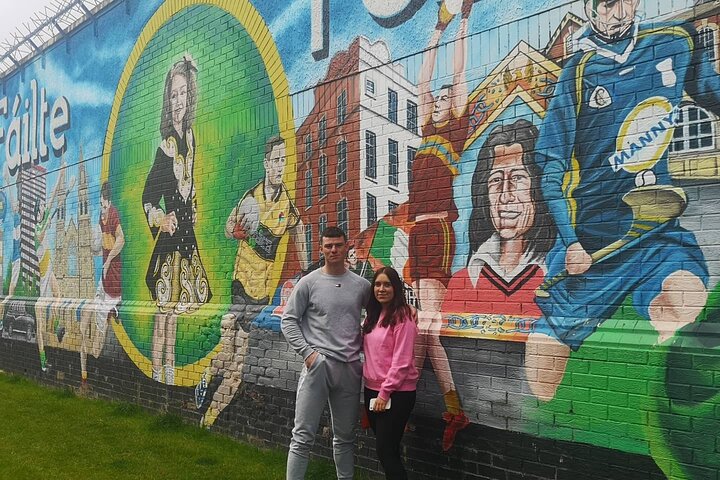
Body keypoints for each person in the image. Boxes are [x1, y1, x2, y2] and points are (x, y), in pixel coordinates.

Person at [529, 0, 720, 400]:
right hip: (591, 243)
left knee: (685, 299)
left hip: (654, 230)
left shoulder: (675, 41)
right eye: (604, 4)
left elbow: (711, 92)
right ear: (590, 9)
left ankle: (657, 394)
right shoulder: (577, 73)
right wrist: (572, 242)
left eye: (621, 1)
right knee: (542, 378)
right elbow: (550, 168)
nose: (613, 12)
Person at [197, 135, 309, 427]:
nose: (280, 166)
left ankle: (207, 419)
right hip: (241, 282)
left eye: (284, 160)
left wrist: (307, 270)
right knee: (230, 352)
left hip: (261, 291)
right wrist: (236, 230)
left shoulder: (286, 204)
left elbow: (298, 229)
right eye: (275, 160)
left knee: (235, 365)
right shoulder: (251, 198)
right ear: (266, 163)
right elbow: (227, 227)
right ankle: (207, 387)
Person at [409, 0, 473, 452]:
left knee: (426, 329)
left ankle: (401, 402)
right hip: (417, 233)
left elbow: (457, 70)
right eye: (437, 97)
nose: (438, 98)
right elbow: (423, 80)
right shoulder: (423, 131)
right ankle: (444, 409)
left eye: (447, 97)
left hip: (437, 232)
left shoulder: (455, 130)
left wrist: (462, 22)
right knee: (423, 330)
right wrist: (437, 27)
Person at [142, 54, 212, 385]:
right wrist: (160, 218)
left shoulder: (191, 139)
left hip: (186, 238)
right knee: (163, 316)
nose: (178, 101)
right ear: (167, 101)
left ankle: (168, 376)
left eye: (183, 93)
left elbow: (190, 183)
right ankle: (157, 376)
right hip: (170, 242)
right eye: (173, 95)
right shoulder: (166, 147)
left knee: (174, 317)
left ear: (190, 96)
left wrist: (192, 206)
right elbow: (148, 196)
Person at [281, 226, 371, 480]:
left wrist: (406, 312)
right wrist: (308, 354)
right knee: (302, 436)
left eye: (338, 245)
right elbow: (288, 320)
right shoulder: (308, 283)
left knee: (345, 437)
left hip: (350, 369)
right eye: (328, 246)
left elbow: (380, 316)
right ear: (321, 249)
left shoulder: (361, 285)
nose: (333, 250)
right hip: (318, 367)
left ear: (346, 246)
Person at [443, 120, 555, 315]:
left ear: (538, 187)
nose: (505, 195)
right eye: (495, 180)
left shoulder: (557, 277)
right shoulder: (463, 282)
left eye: (518, 177)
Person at [363, 266, 418, 480]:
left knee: (385, 451)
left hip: (396, 393)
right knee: (389, 451)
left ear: (396, 288)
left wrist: (384, 393)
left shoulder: (403, 317)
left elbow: (402, 362)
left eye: (387, 284)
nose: (381, 289)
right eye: (377, 284)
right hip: (371, 390)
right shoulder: (372, 316)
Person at [80, 181, 124, 387]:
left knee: (99, 336)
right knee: (87, 323)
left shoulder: (113, 214)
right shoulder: (101, 217)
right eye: (100, 204)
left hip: (113, 282)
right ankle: (86, 372)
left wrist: (108, 261)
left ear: (109, 202)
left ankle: (91, 373)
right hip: (104, 281)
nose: (102, 208)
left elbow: (121, 239)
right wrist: (93, 245)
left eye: (103, 204)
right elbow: (99, 248)